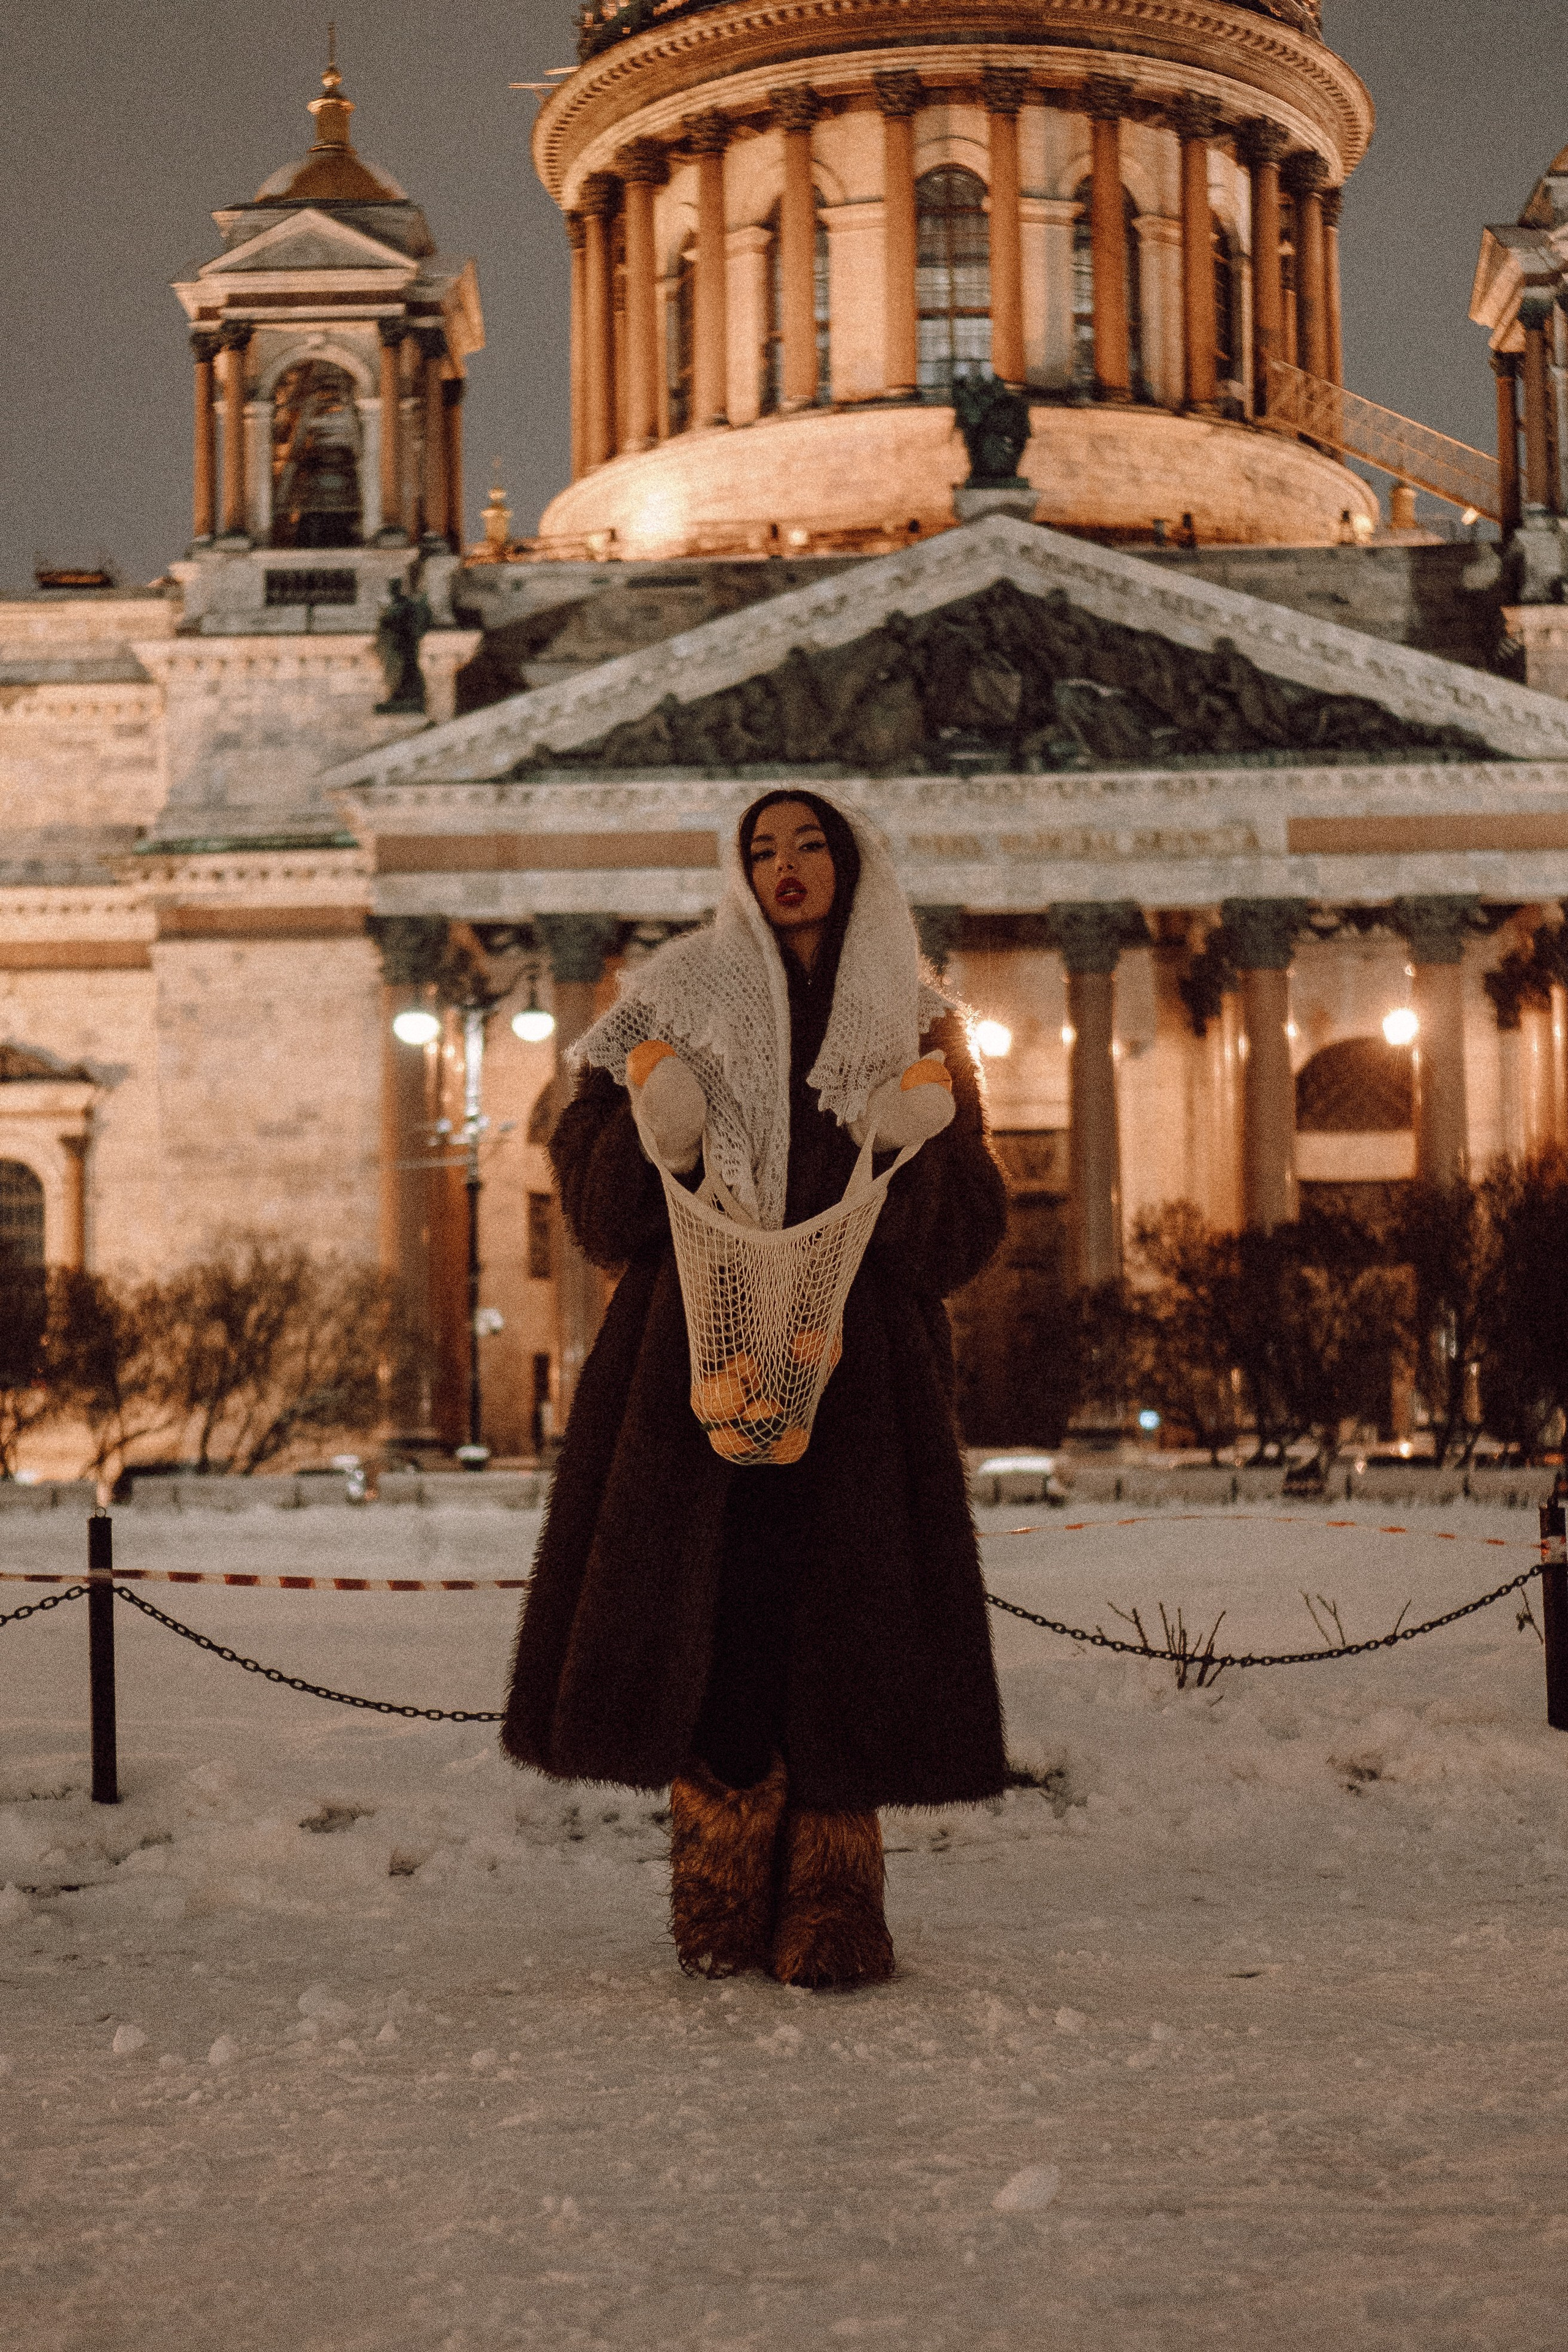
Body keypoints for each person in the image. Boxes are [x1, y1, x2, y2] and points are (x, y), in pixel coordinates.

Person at [502, 791, 1009, 1988]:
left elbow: (959, 1237)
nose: (787, 868)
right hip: (693, 1345)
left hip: (858, 1365)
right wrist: (657, 1130)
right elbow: (600, 1209)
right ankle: (719, 1894)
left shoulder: (917, 1017)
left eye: (810, 846)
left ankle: (837, 1899)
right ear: (737, 874)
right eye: (762, 851)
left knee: (841, 1620)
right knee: (714, 1617)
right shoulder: (666, 1001)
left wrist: (919, 1141)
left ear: (851, 863)